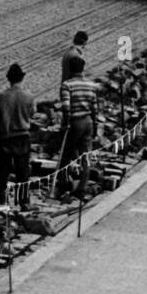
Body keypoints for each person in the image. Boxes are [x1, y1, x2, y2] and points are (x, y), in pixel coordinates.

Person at [0, 63, 35, 208]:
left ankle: (0, 201)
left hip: (5, 137)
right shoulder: (28, 96)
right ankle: (23, 202)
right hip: (22, 136)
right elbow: (32, 113)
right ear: (22, 78)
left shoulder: (2, 97)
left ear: (9, 79)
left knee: (2, 172)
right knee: (23, 171)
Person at [58, 56, 99, 199]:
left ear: (70, 69)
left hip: (75, 122)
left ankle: (63, 185)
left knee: (66, 154)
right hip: (88, 121)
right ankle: (82, 186)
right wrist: (95, 124)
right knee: (85, 153)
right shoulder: (91, 85)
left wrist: (65, 124)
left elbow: (66, 107)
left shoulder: (67, 85)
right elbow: (95, 107)